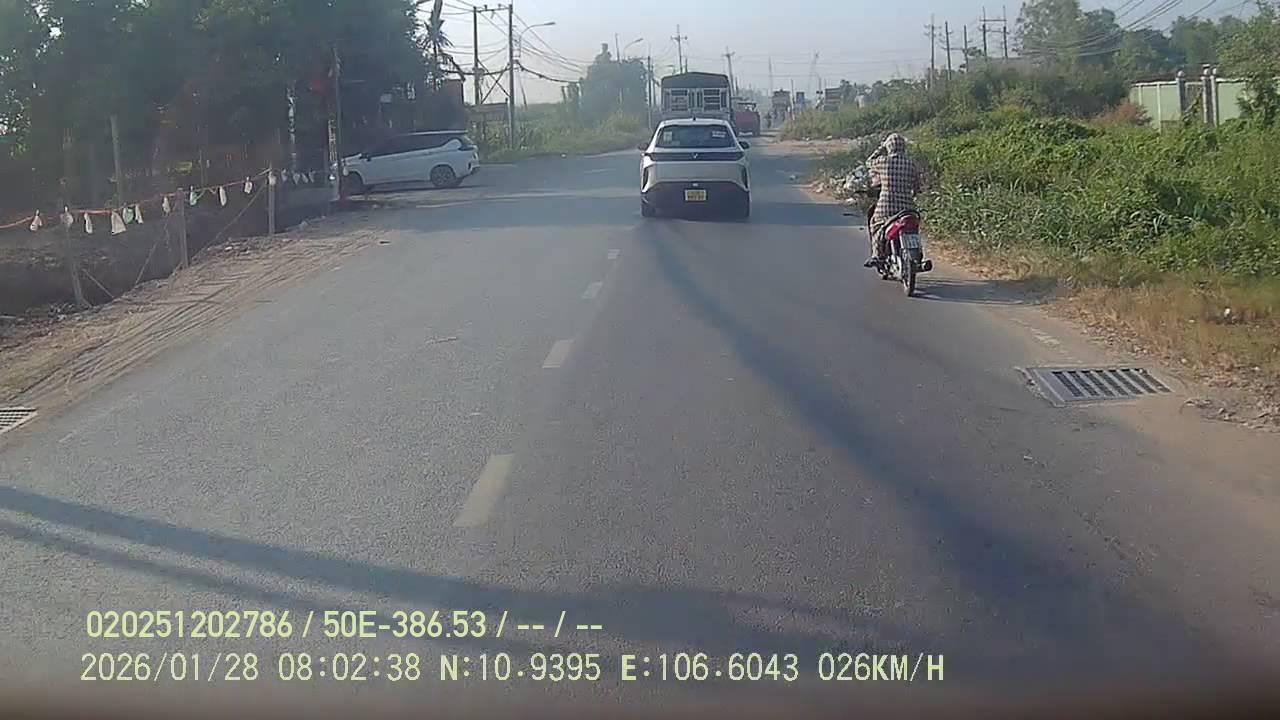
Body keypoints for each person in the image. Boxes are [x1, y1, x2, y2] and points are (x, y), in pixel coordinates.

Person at [863, 132, 924, 268]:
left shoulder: (883, 161)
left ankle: (877, 255)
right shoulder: (911, 164)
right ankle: (917, 253)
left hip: (886, 206)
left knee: (876, 224)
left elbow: (868, 162)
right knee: (914, 227)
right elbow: (917, 187)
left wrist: (881, 147)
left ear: (889, 147)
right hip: (907, 207)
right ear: (903, 147)